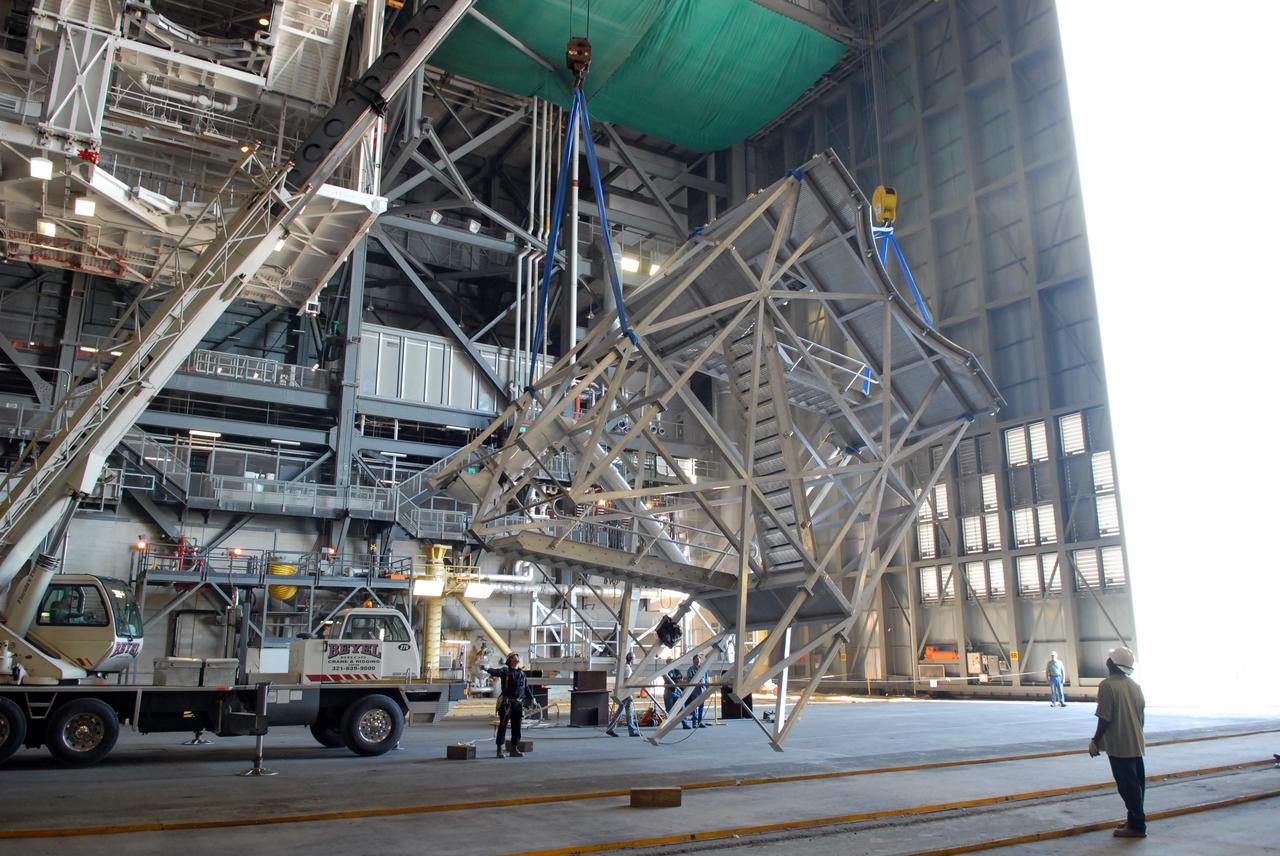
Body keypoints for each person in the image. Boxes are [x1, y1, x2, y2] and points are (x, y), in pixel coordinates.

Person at [1088, 646, 1146, 838]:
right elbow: (1141, 717)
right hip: (1136, 742)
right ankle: (1134, 819)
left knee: (1127, 786)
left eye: (1109, 659)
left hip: (1120, 745)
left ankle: (1137, 826)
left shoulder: (1107, 685)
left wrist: (1095, 740)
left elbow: (1105, 717)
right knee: (1136, 784)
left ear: (1112, 663)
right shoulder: (1134, 686)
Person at [485, 652, 532, 758]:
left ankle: (514, 748)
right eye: (515, 657)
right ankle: (499, 749)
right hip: (507, 704)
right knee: (503, 726)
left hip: (518, 704)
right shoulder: (505, 671)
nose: (517, 659)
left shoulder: (522, 674)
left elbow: (526, 688)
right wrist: (486, 668)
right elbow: (495, 672)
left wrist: (531, 698)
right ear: (510, 660)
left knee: (517, 727)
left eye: (517, 657)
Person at [605, 651, 640, 737]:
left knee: (629, 712)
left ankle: (631, 731)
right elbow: (626, 682)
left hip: (622, 692)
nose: (634, 661)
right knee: (621, 712)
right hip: (625, 693)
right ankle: (611, 728)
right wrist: (629, 695)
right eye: (634, 659)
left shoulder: (623, 667)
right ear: (631, 659)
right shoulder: (628, 669)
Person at [662, 658, 688, 729]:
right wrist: (676, 681)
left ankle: (685, 724)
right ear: (667, 663)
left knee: (682, 707)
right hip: (668, 692)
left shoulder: (677, 671)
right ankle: (668, 725)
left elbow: (680, 679)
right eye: (669, 662)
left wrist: (677, 681)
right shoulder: (665, 671)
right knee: (669, 710)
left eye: (672, 662)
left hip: (677, 691)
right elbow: (668, 680)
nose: (671, 664)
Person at [685, 654, 710, 728]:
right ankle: (694, 722)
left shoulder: (703, 669)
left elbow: (706, 680)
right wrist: (697, 683)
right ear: (693, 661)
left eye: (699, 659)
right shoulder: (690, 669)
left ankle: (700, 722)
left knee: (701, 707)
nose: (698, 660)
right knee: (694, 707)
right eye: (696, 659)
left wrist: (708, 687)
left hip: (702, 691)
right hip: (694, 691)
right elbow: (689, 680)